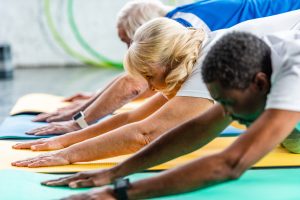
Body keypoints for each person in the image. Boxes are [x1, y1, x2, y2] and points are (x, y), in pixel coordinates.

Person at [12, 10, 300, 168]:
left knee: (286, 136)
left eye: (150, 76)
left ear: (167, 61)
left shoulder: (208, 64)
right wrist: (68, 139)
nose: (148, 87)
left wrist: (69, 155)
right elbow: (130, 118)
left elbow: (145, 133)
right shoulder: (199, 48)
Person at [40, 30, 300, 200]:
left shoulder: (293, 72)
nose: (226, 113)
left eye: (228, 103)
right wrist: (114, 172)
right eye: (222, 104)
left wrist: (118, 193)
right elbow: (198, 129)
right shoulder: (253, 66)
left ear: (261, 83)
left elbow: (229, 164)